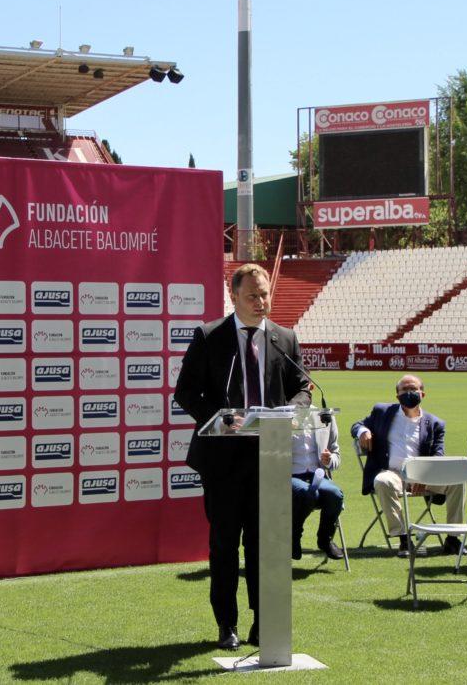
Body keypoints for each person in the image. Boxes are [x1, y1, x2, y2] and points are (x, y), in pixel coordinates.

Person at [173, 262, 311, 651]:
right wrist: (219, 418)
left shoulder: (284, 338)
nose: (261, 301)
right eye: (252, 295)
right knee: (224, 545)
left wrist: (294, 407)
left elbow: (302, 387)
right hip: (222, 461)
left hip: (269, 458)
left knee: (263, 545)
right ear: (233, 296)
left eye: (265, 294)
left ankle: (262, 624)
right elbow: (186, 392)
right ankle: (226, 624)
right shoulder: (209, 336)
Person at [352, 374, 465, 558]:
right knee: (382, 481)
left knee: (457, 481)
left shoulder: (436, 423)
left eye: (413, 389)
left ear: (423, 394)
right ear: (397, 395)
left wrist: (423, 476)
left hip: (424, 475)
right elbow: (357, 425)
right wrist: (363, 431)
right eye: (404, 390)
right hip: (393, 474)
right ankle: (404, 539)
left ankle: (453, 539)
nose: (409, 392)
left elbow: (438, 455)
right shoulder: (382, 411)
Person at [291, 407, 343, 561]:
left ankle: (325, 539)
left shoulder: (324, 415)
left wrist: (329, 460)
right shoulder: (280, 414)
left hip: (317, 475)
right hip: (288, 474)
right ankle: (293, 537)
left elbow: (336, 453)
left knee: (335, 494)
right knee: (307, 493)